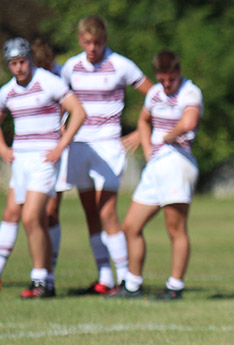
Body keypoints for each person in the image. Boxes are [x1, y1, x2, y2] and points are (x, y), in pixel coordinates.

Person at [61, 15, 153, 294]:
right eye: (88, 43)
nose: (92, 48)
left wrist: (140, 131)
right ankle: (105, 277)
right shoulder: (71, 67)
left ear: (105, 41)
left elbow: (154, 94)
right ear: (80, 40)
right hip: (79, 145)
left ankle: (126, 279)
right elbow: (61, 101)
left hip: (109, 145)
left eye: (98, 43)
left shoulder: (120, 65)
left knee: (107, 211)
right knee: (90, 212)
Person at [105, 51, 202, 301]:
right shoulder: (155, 93)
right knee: (130, 226)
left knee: (175, 228)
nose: (167, 84)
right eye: (162, 79)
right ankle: (133, 283)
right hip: (157, 165)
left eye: (171, 79)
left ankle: (175, 286)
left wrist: (170, 135)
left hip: (178, 163)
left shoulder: (190, 92)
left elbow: (189, 122)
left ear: (178, 72)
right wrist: (148, 148)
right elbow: (144, 120)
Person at [0, 38, 86, 297]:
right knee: (17, 216)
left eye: (23, 62)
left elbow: (78, 112)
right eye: (13, 64)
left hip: (44, 160)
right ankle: (45, 280)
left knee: (32, 217)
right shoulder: (7, 91)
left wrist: (61, 146)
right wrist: (3, 148)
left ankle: (39, 279)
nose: (19, 68)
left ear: (31, 60)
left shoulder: (49, 82)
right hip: (21, 162)